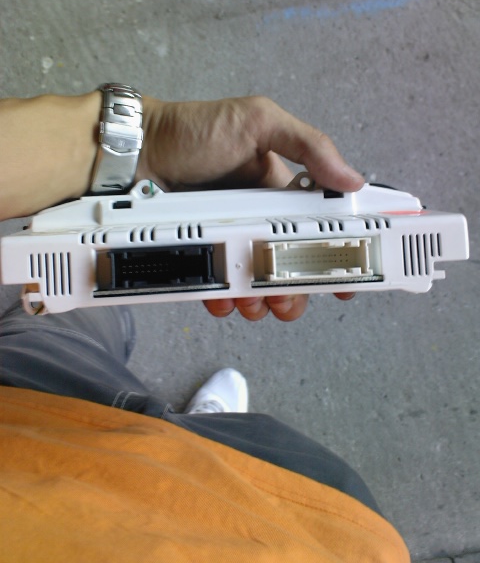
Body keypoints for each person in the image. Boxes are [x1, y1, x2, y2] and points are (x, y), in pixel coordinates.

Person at [0, 90, 410, 561]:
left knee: (83, 307)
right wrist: (146, 143)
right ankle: (195, 435)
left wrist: (148, 143)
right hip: (298, 513)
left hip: (31, 420)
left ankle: (185, 434)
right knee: (80, 311)